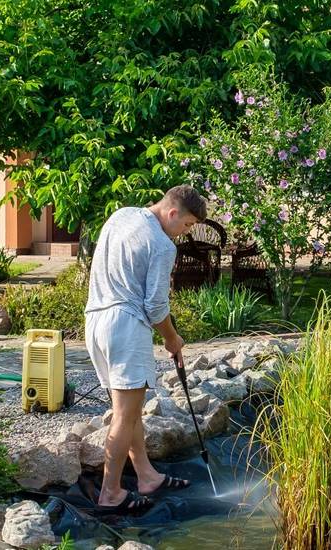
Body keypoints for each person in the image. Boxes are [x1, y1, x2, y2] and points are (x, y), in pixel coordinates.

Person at [84, 185, 207, 514]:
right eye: (188, 225)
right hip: (125, 325)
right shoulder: (162, 245)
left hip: (95, 322)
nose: (186, 233)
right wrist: (172, 338)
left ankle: (146, 476)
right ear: (172, 213)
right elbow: (155, 305)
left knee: (130, 408)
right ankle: (111, 493)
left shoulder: (121, 215)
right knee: (124, 415)